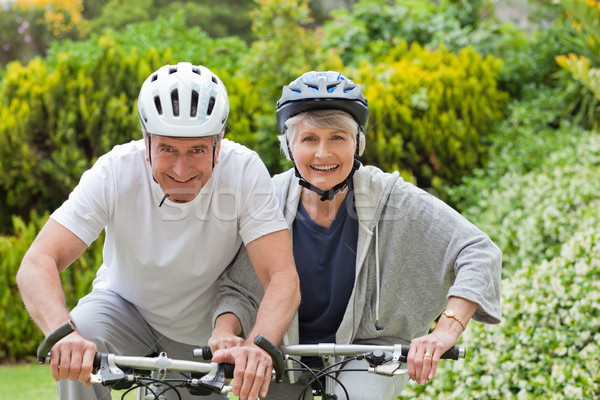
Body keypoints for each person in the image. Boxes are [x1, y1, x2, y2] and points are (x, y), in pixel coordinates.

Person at [16, 62, 300, 400]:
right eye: (167, 149)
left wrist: (258, 346)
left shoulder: (245, 171)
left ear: (218, 146)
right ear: (147, 142)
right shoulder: (114, 170)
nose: (182, 169)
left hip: (201, 333)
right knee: (82, 332)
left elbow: (282, 277)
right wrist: (62, 336)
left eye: (197, 150)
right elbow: (38, 262)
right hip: (122, 306)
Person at [210, 71, 502, 399]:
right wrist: (225, 331)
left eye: (338, 137)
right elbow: (238, 289)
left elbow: (478, 250)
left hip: (368, 351)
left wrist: (445, 331)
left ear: (357, 143)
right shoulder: (268, 199)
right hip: (281, 351)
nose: (323, 153)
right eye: (309, 139)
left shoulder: (391, 196)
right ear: (289, 147)